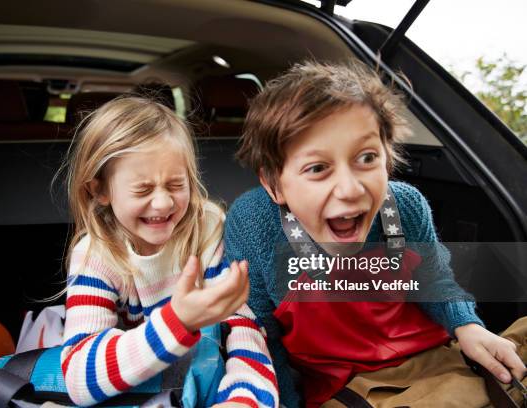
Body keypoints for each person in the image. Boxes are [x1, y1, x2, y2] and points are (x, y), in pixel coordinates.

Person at [224, 60, 526, 407]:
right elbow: (261, 334)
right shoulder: (254, 224)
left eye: (366, 158)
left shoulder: (405, 206)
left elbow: (433, 279)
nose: (350, 189)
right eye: (318, 168)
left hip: (434, 361)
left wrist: (466, 326)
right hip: (348, 389)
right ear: (274, 184)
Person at [60, 96, 279, 407]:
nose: (163, 203)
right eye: (143, 189)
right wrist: (178, 320)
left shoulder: (208, 230)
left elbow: (241, 326)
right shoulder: (95, 255)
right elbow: (79, 379)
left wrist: (245, 398)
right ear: (100, 190)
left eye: (177, 185)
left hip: (203, 386)